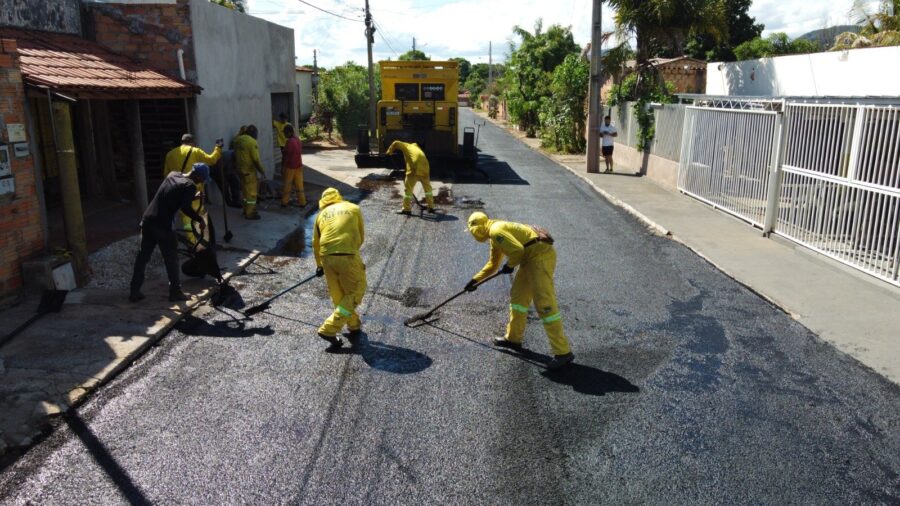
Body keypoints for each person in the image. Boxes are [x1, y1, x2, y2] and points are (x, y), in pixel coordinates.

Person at [464, 211, 574, 370]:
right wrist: (474, 281)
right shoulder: (494, 235)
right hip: (529, 259)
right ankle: (513, 338)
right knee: (518, 299)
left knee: (544, 303)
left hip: (540, 257)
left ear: (477, 228)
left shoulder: (496, 230)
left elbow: (517, 251)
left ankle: (563, 352)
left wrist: (509, 266)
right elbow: (492, 265)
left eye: (472, 231)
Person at [130, 163, 209, 303]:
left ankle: (134, 291)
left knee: (142, 257)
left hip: (148, 220)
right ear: (197, 175)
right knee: (171, 259)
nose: (201, 182)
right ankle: (175, 292)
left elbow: (172, 194)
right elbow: (185, 208)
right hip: (163, 226)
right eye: (202, 179)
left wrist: (191, 197)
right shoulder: (190, 185)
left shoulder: (173, 174)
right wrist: (199, 219)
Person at [313, 187, 366, 349]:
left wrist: (319, 265)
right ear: (338, 197)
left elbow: (316, 243)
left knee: (339, 295)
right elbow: (360, 235)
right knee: (356, 291)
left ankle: (354, 324)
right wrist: (353, 253)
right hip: (347, 254)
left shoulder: (320, 215)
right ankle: (329, 328)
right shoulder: (353, 208)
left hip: (326, 257)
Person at [162, 134, 223, 243]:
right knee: (196, 212)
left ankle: (192, 240)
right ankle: (199, 240)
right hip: (194, 188)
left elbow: (166, 174)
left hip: (177, 188)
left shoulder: (170, 154)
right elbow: (212, 160)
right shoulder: (195, 151)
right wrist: (218, 148)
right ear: (192, 142)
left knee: (185, 214)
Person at [386, 140, 434, 215]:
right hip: (426, 169)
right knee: (428, 190)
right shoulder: (420, 151)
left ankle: (406, 209)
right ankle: (431, 207)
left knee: (408, 191)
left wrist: (389, 152)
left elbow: (396, 143)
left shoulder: (408, 146)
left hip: (414, 170)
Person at [233, 124, 267, 220]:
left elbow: (236, 138)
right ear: (254, 134)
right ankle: (250, 213)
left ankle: (245, 209)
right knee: (251, 194)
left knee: (244, 192)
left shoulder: (237, 140)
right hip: (249, 171)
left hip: (239, 170)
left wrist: (241, 130)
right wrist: (262, 171)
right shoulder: (252, 142)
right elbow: (256, 159)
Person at [280, 124, 307, 208]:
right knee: (299, 185)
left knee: (287, 185)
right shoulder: (298, 140)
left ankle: (284, 202)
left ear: (289, 132)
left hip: (290, 167)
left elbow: (286, 156)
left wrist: (283, 167)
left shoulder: (289, 142)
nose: (284, 134)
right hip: (299, 166)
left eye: (285, 132)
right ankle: (302, 202)